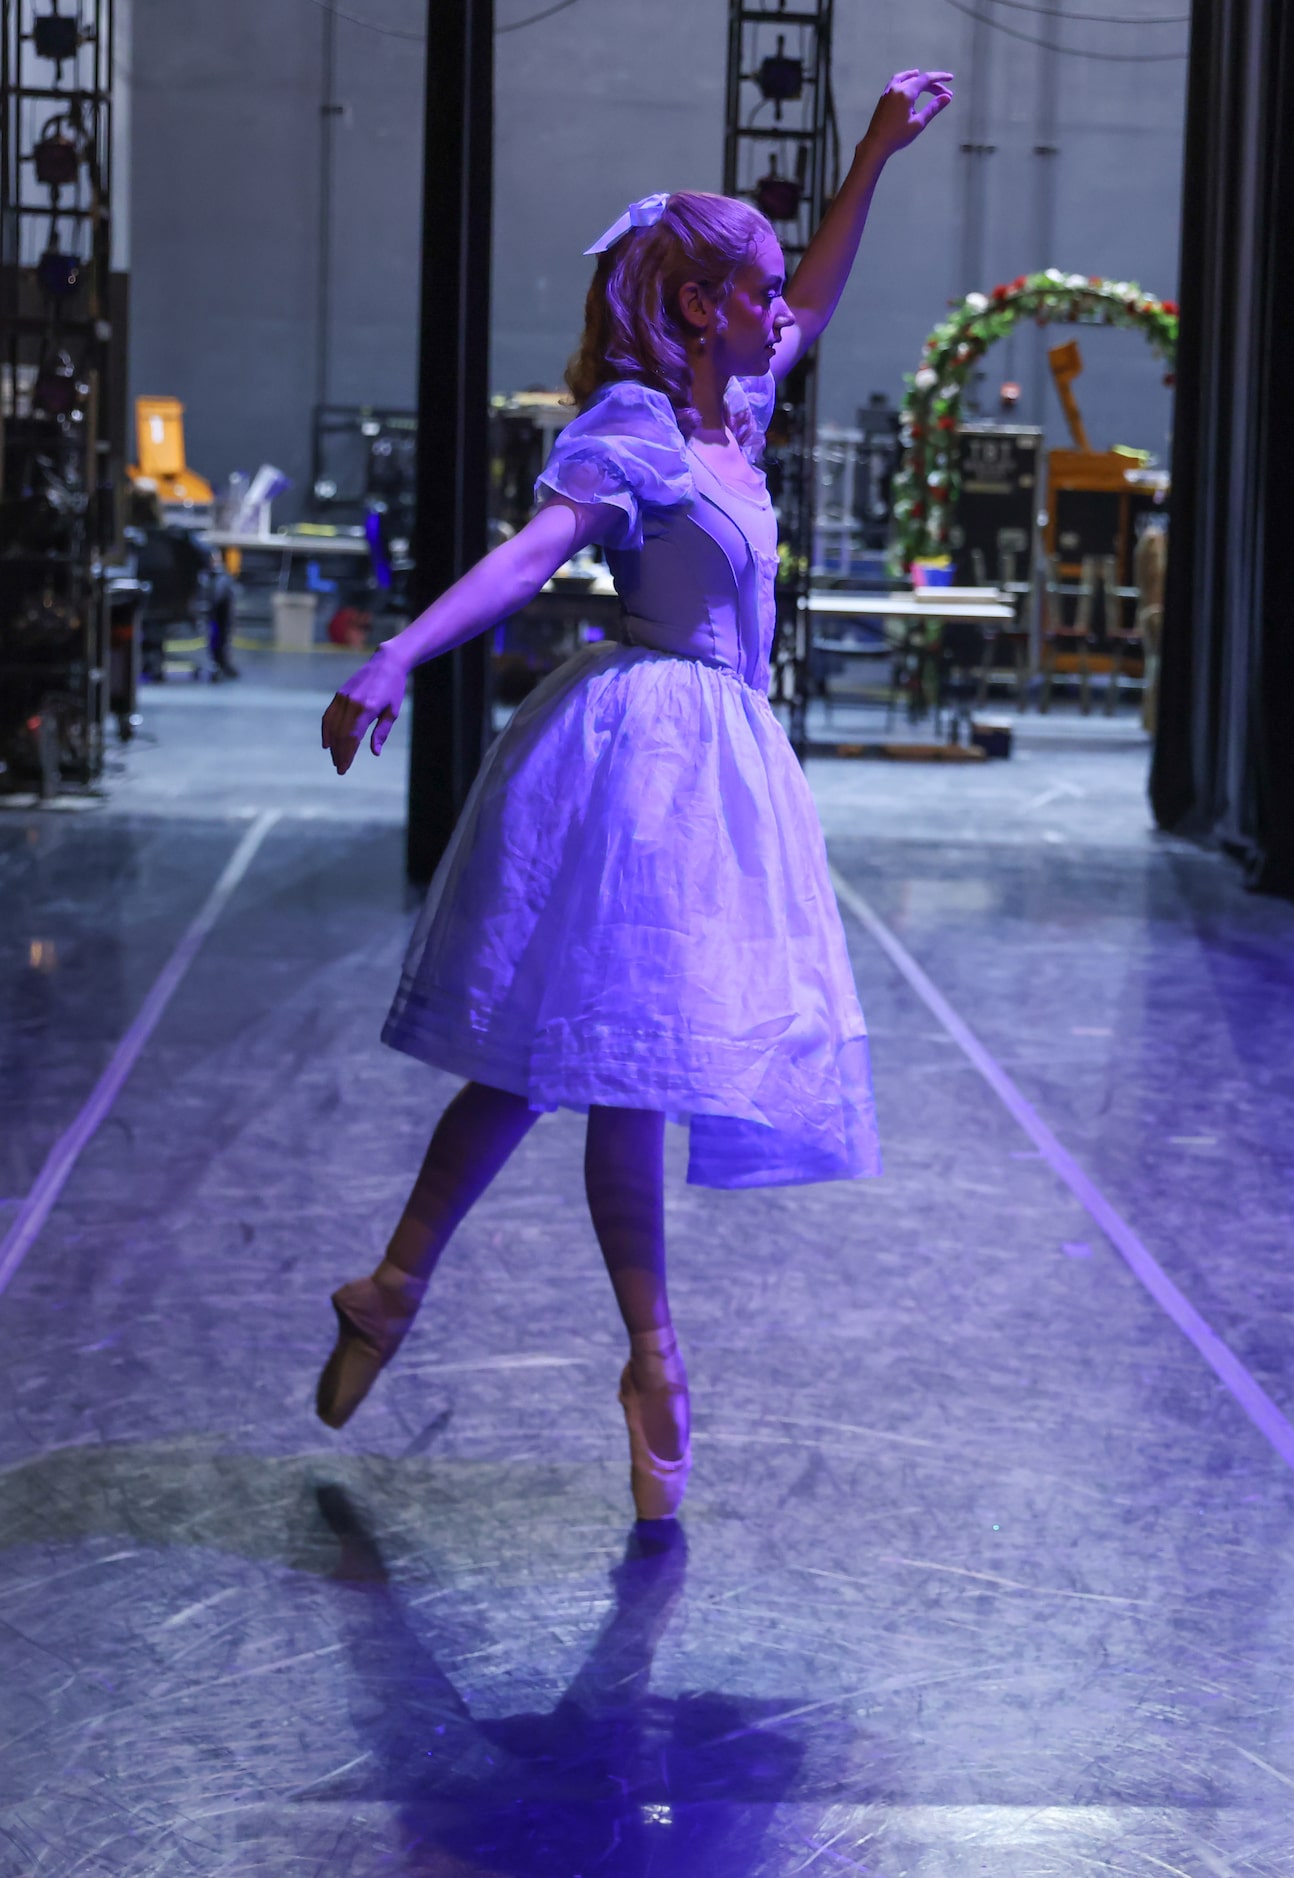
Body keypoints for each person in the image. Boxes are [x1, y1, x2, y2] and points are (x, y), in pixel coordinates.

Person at [310, 69, 955, 1522]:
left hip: (718, 759)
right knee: (565, 1058)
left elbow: (825, 294)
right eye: (759, 286)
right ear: (702, 298)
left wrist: (872, 158)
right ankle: (497, 1314)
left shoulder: (740, 405)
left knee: (626, 1068)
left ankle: (506, 1317)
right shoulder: (639, 430)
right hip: (645, 755)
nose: (782, 304)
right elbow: (531, 556)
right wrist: (398, 656)